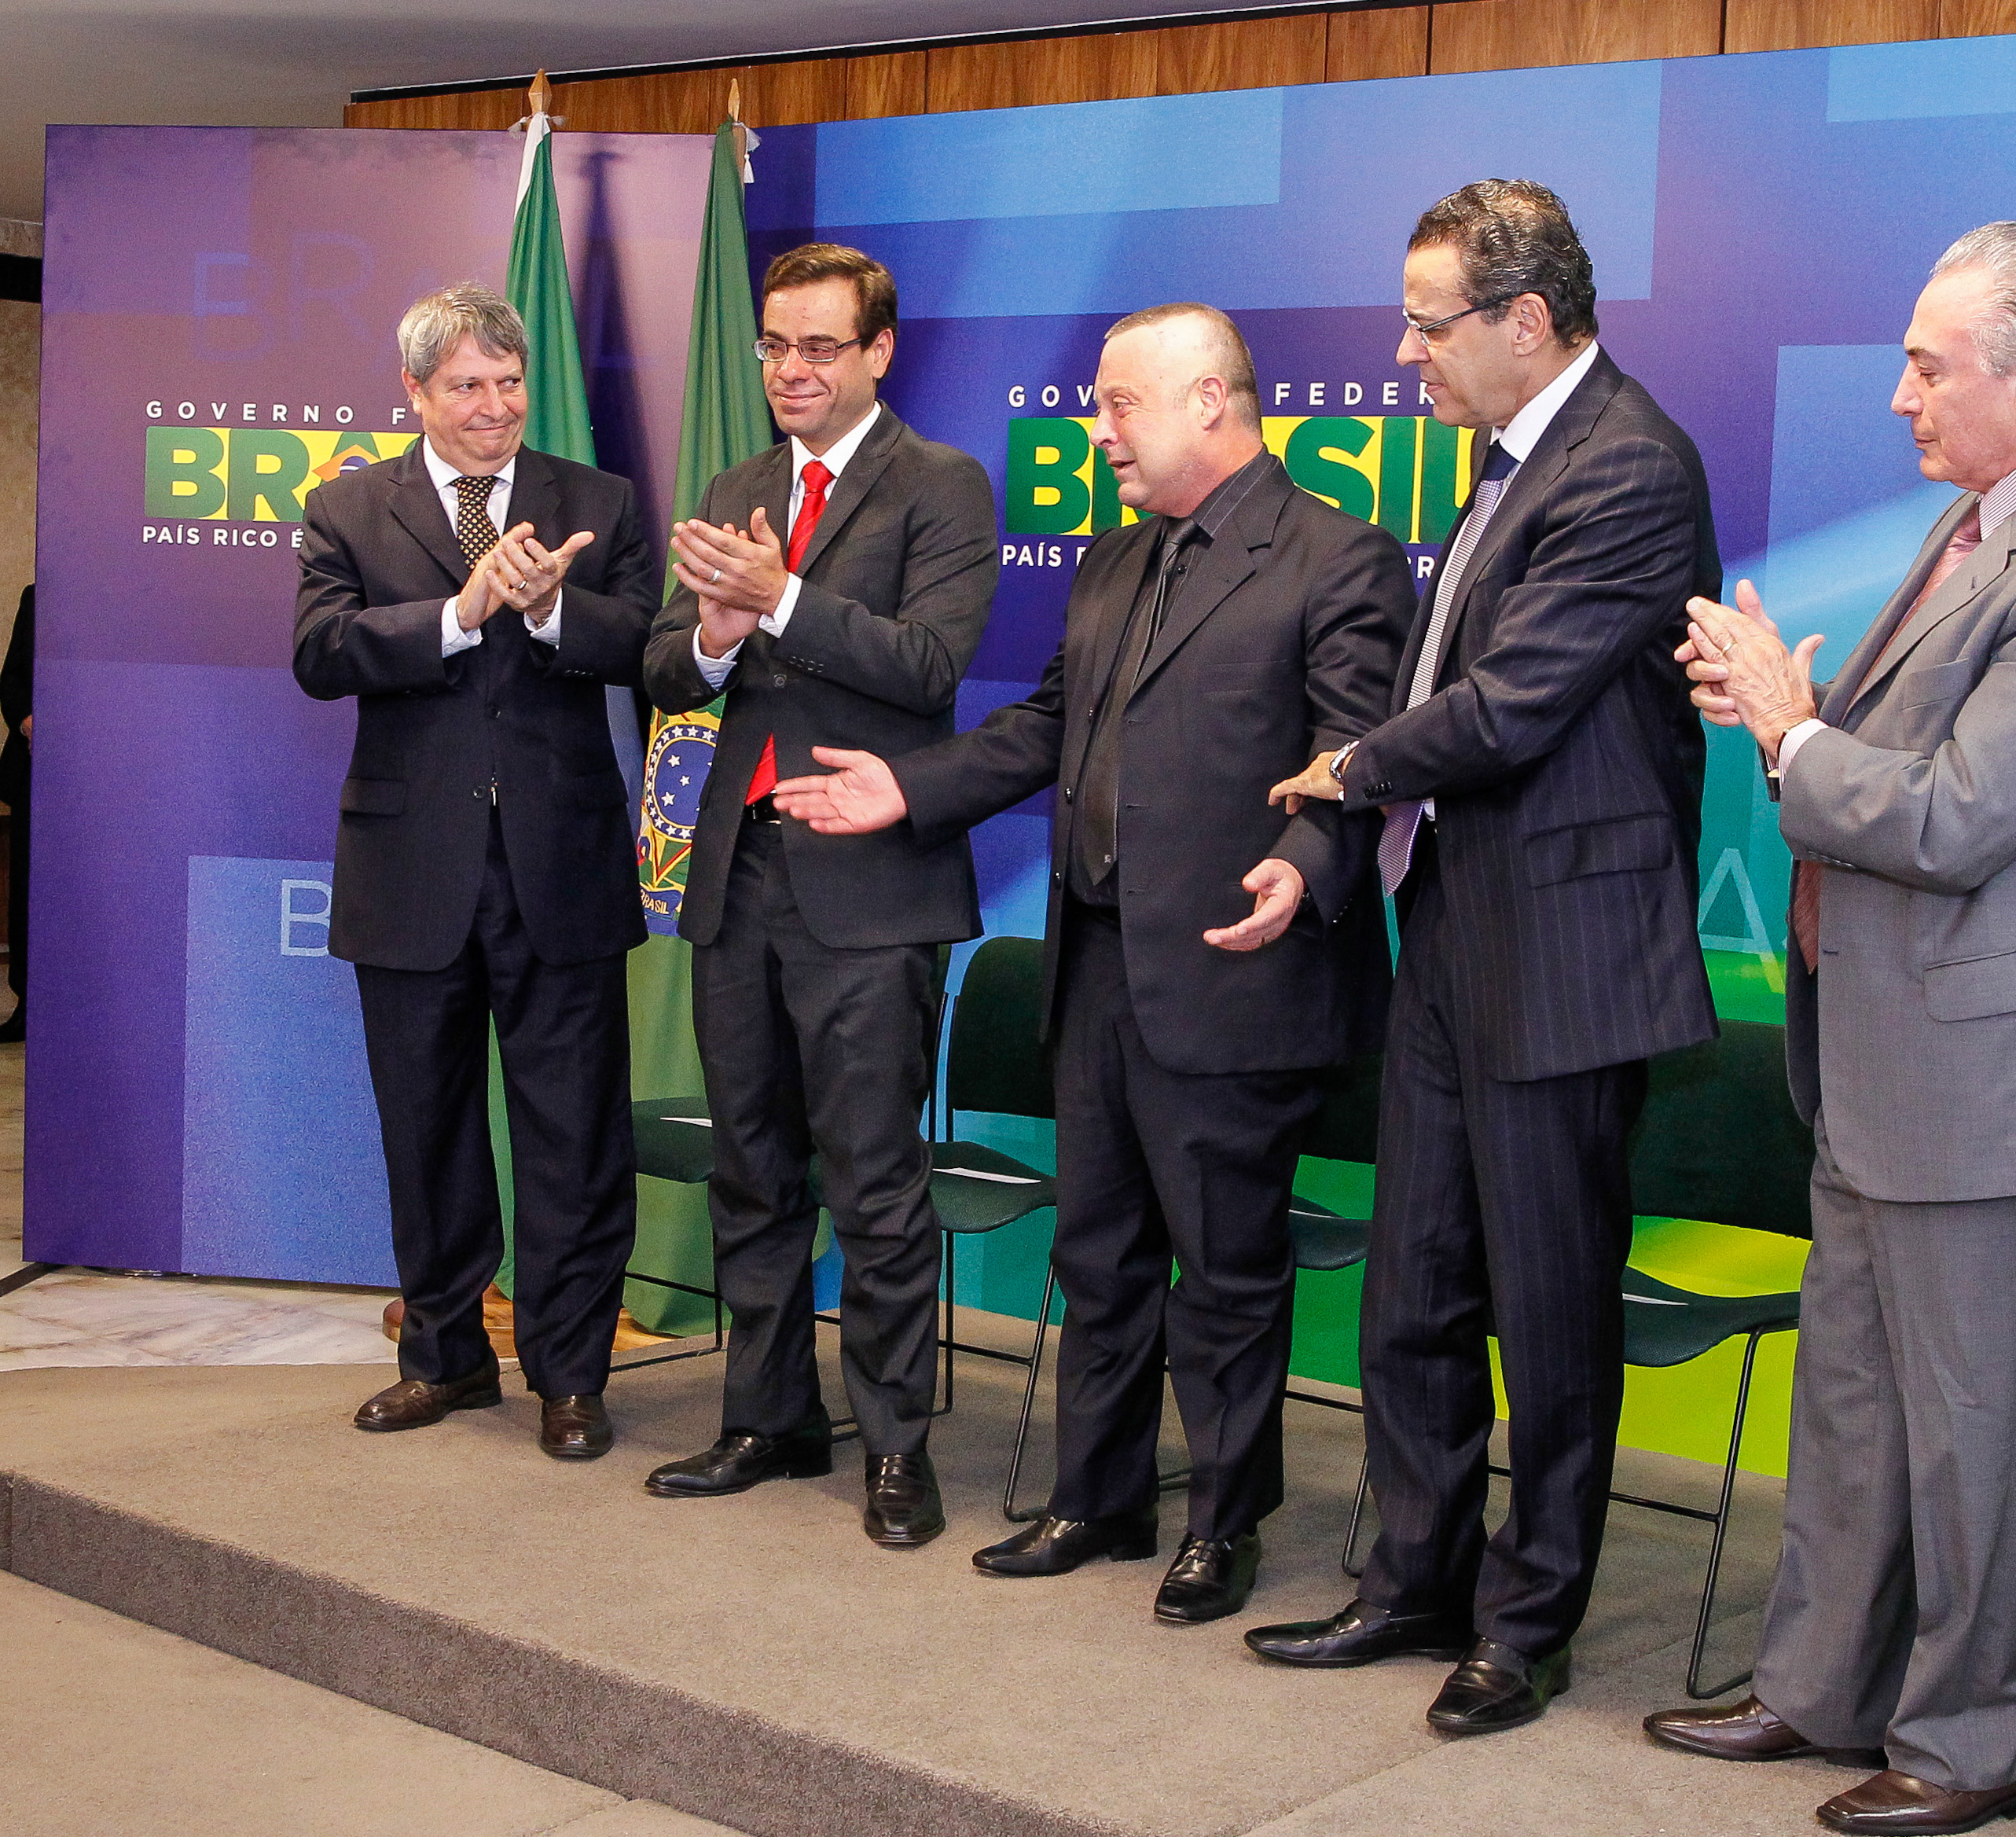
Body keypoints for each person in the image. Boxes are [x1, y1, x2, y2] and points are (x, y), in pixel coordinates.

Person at [773, 303, 1409, 1611]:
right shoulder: (1113, 559)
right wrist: (910, 787)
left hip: (1235, 967)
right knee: (1099, 1255)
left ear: (1210, 402)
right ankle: (1098, 1500)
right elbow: (1048, 726)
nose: (1096, 430)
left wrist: (1307, 859)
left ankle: (1221, 1524)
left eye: (1120, 404)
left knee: (1225, 1272)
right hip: (1097, 963)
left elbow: (1355, 750)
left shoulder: (1335, 556)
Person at [1645, 222, 2016, 1837]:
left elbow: (1956, 816)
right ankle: (1821, 1688)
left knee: (1976, 1428)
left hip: (1988, 1073)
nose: (1898, 395)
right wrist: (1788, 722)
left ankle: (1974, 1743)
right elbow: (1903, 766)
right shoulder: (1980, 521)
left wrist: (1793, 734)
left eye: (1929, 366)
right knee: (1856, 1405)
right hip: (1885, 1053)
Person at [1244, 180, 1720, 1734]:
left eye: (1427, 324)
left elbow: (1511, 704)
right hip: (1453, 925)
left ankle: (1525, 1623)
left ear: (1525, 319)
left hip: (1568, 951)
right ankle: (1412, 1581)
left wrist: (1345, 767)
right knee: (1417, 1285)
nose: (1405, 355)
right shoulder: (1509, 456)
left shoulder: (1627, 461)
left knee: (1550, 1308)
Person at [641, 244, 998, 1549]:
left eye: (819, 347)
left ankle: (896, 1445)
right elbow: (665, 670)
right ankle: (768, 1417)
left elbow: (928, 664)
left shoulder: (940, 484)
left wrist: (779, 598)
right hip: (739, 876)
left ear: (877, 351)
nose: (790, 370)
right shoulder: (737, 487)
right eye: (773, 347)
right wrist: (715, 634)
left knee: (873, 1177)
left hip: (869, 889)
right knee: (751, 1166)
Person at [292, 284, 657, 1460]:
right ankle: (444, 1359)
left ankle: (570, 1376)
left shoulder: (596, 500)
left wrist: (551, 612)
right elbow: (319, 653)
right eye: (466, 385)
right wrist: (460, 611)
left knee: (573, 1136)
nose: (495, 406)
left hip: (561, 867)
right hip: (410, 871)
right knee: (426, 1128)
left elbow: (651, 645)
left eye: (509, 382)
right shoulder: (347, 506)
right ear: (414, 392)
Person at [0, 583, 32, 1045]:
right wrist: (25, 720)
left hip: (107, 776)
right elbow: (12, 678)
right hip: (35, 769)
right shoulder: (37, 597)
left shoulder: (126, 596)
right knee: (27, 889)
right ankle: (27, 1001)